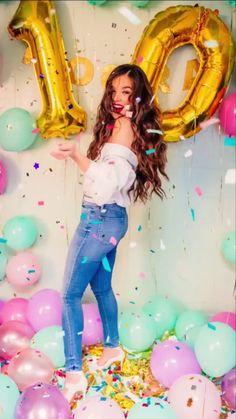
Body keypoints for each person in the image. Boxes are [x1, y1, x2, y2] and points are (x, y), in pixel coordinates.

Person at [51, 63, 168, 405]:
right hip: (113, 222)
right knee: (101, 287)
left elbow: (104, 186)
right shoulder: (125, 127)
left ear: (138, 97)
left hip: (99, 220)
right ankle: (114, 348)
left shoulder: (124, 129)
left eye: (126, 92)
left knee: (70, 295)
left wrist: (75, 155)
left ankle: (73, 373)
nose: (117, 98)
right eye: (114, 91)